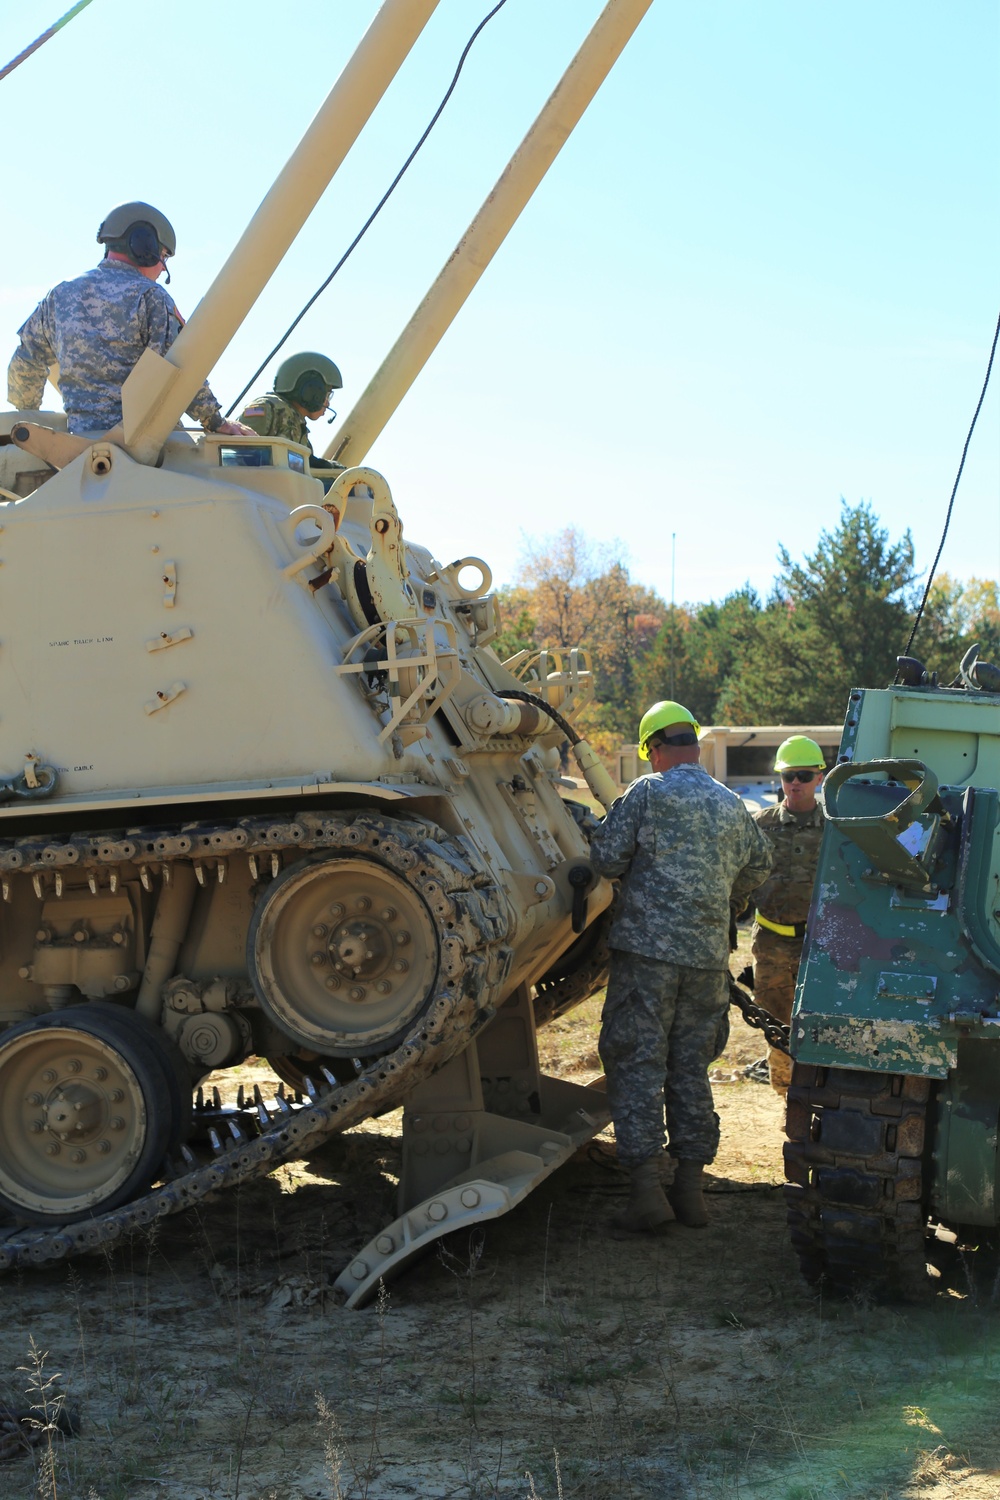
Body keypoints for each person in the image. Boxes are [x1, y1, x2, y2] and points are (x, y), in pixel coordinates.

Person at [590, 700, 773, 1233]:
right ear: (694, 745)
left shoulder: (648, 793)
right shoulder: (730, 803)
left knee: (637, 1063)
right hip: (708, 961)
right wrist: (724, 902)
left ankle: (647, 1194)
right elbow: (760, 866)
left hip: (647, 959)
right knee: (690, 1068)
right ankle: (690, 1193)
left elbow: (605, 861)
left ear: (652, 750)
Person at [7, 202, 253, 440]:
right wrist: (215, 421)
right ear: (144, 248)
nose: (161, 269)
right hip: (142, 452)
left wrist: (29, 421)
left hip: (78, 447)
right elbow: (180, 369)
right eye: (163, 257)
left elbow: (26, 362)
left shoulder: (59, 295)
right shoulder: (151, 297)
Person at [749, 736, 826, 1095]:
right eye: (789, 775)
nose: (796, 782)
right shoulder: (758, 825)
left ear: (819, 778)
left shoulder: (834, 829)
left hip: (819, 947)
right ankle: (787, 1100)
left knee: (822, 1026)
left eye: (804, 775)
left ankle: (818, 1096)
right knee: (778, 1026)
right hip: (771, 945)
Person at [239, 352, 343, 462]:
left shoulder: (298, 426)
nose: (328, 403)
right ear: (312, 391)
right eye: (327, 395)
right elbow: (238, 457)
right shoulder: (267, 409)